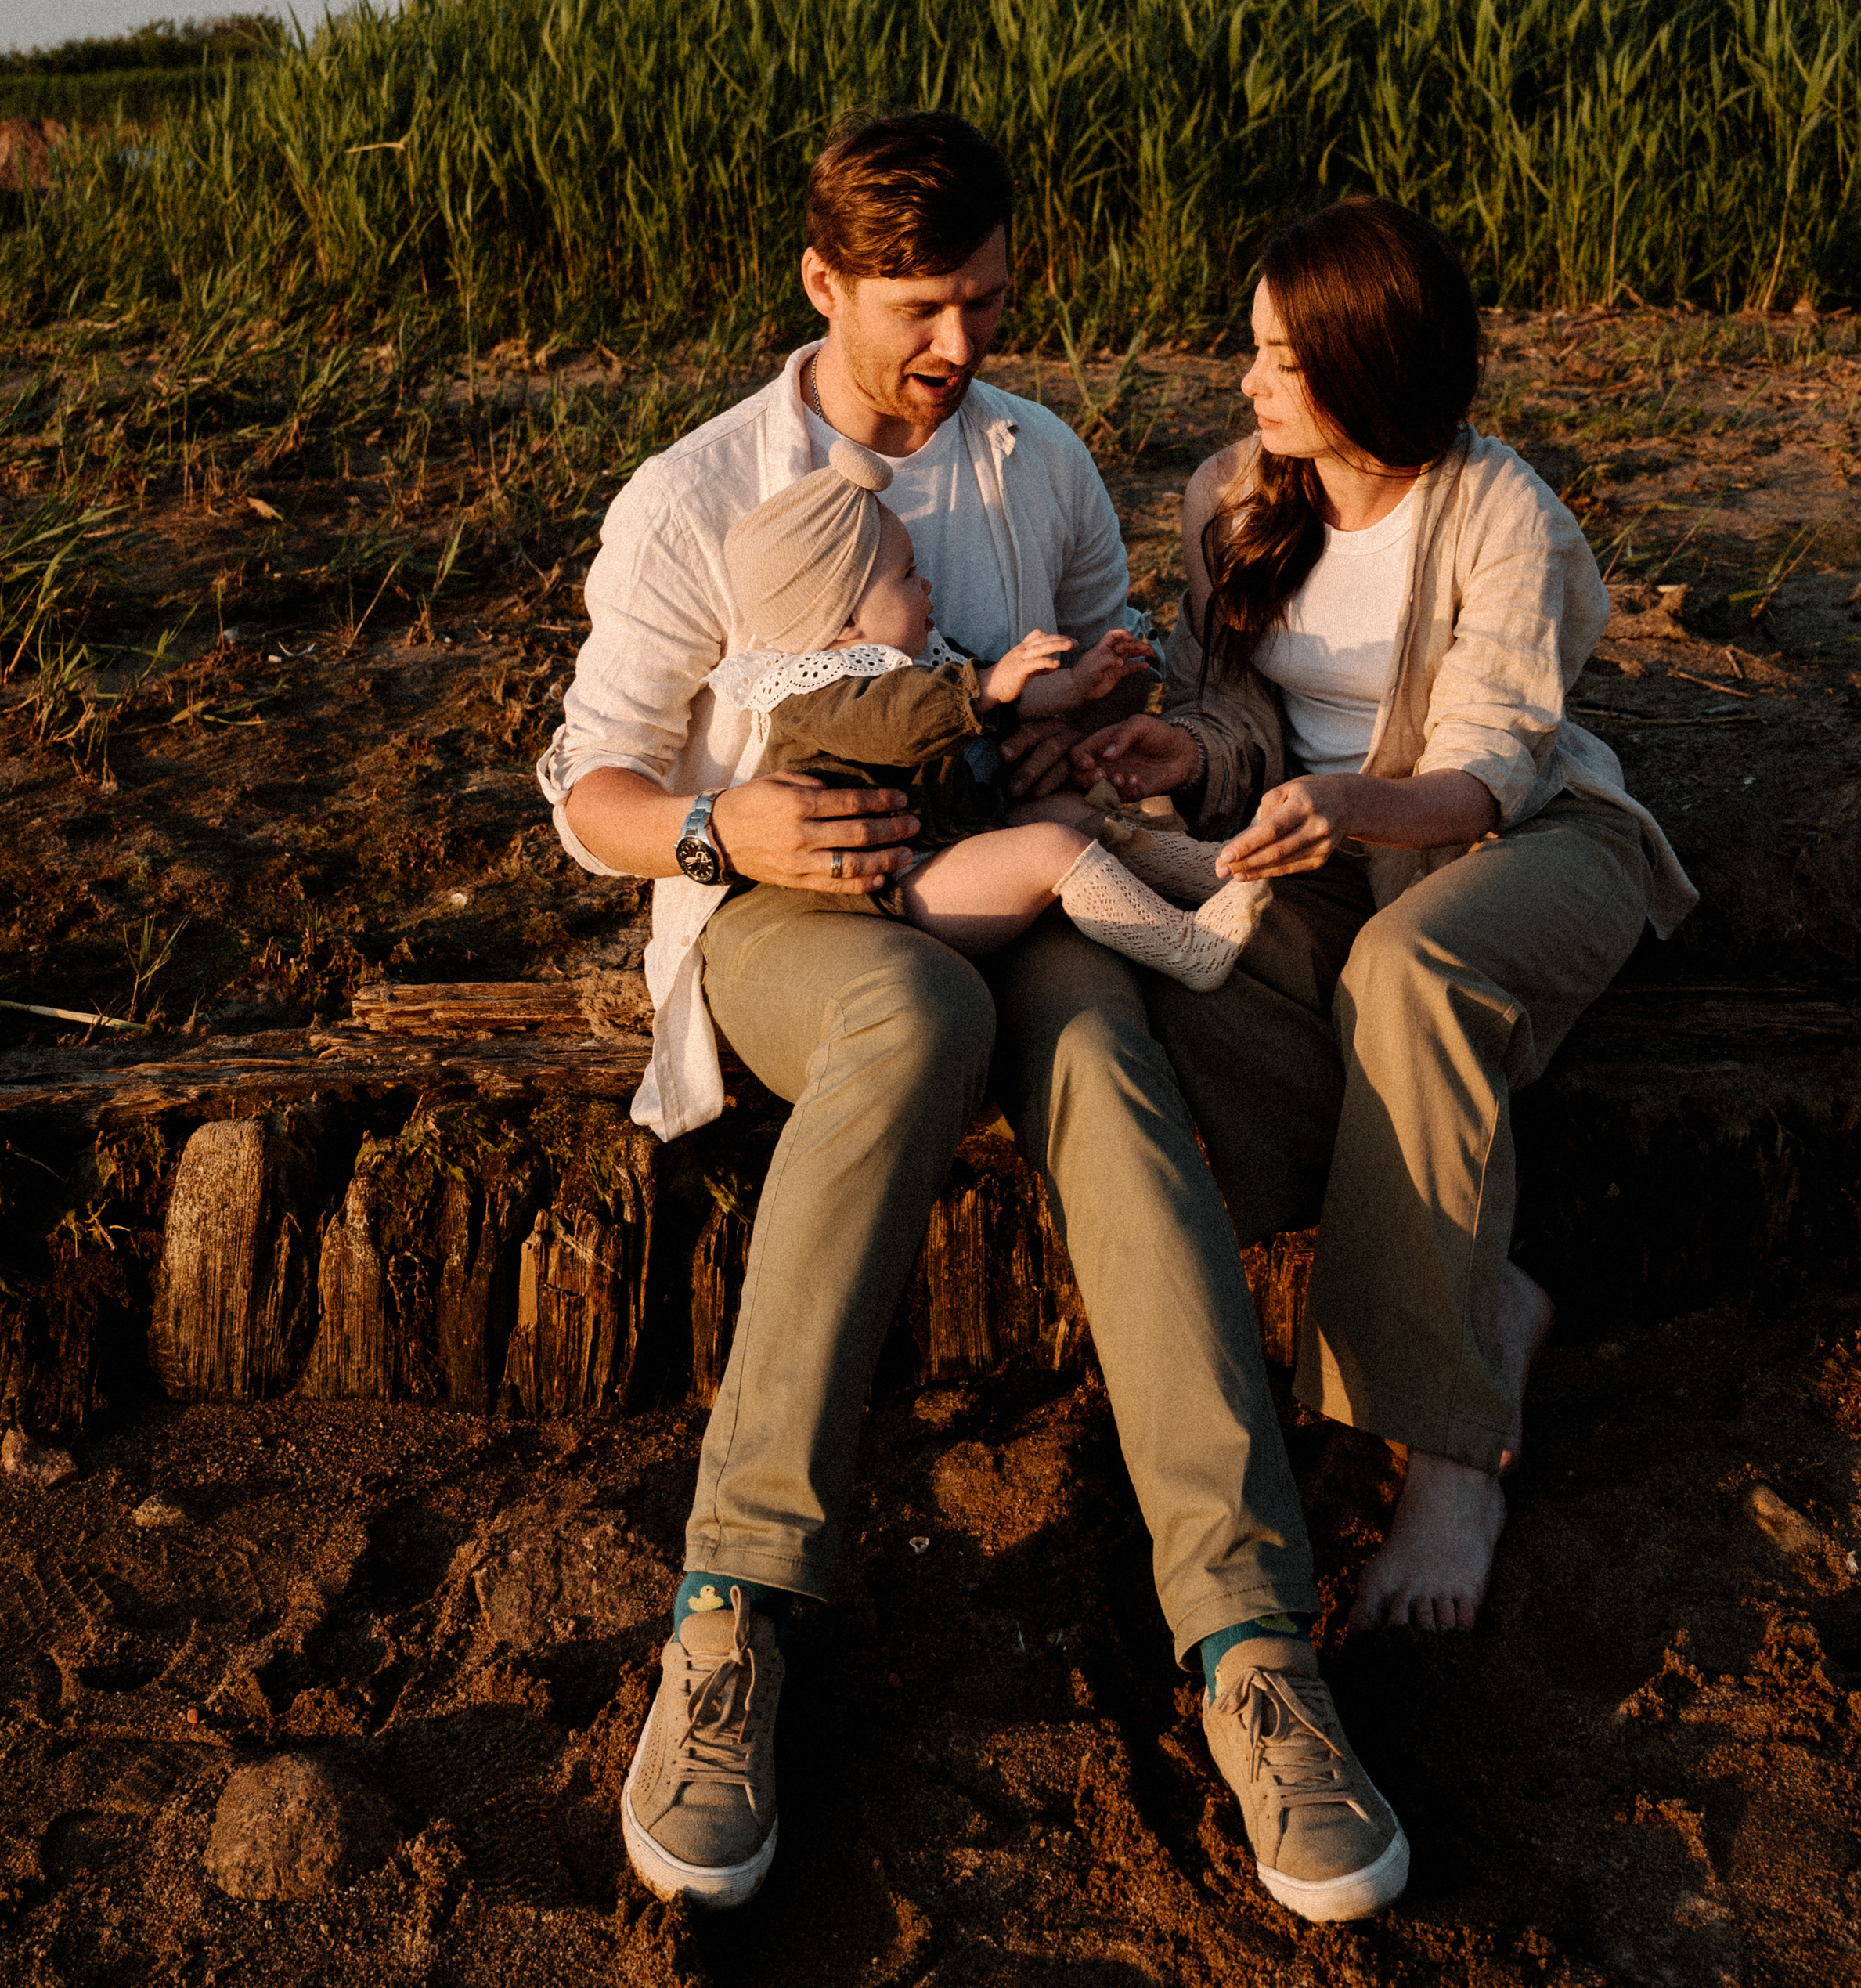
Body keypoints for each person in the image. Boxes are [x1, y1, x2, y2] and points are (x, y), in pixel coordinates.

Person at [537, 110, 1410, 1927]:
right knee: (912, 1024)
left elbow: (1122, 649)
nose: (960, 345)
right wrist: (719, 821)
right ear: (822, 283)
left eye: (987, 300)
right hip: (798, 910)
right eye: (920, 307)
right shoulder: (700, 491)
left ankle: (1250, 1644)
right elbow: (586, 788)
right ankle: (730, 1612)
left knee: (1102, 1055)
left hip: (1028, 871)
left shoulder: (1040, 460)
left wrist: (1109, 717)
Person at [1072, 196, 1697, 1633]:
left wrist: (1349, 805)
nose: (1249, 383)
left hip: (1541, 840)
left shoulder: (1501, 513)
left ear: (1368, 365)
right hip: (1338, 846)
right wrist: (1191, 753)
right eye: (1254, 352)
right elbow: (1235, 711)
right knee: (1170, 967)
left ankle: (1452, 1447)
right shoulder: (1236, 494)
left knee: (1410, 972)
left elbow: (1489, 769)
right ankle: (1479, 1297)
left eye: (1281, 358)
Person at [709, 435, 1270, 987]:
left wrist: (1075, 682)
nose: (925, 582)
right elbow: (902, 724)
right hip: (899, 887)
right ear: (846, 620)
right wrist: (990, 682)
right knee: (1052, 850)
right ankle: (1189, 948)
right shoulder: (816, 692)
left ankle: (1211, 871)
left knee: (1069, 813)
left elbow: (1003, 701)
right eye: (907, 575)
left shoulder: (914, 662)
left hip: (955, 841)